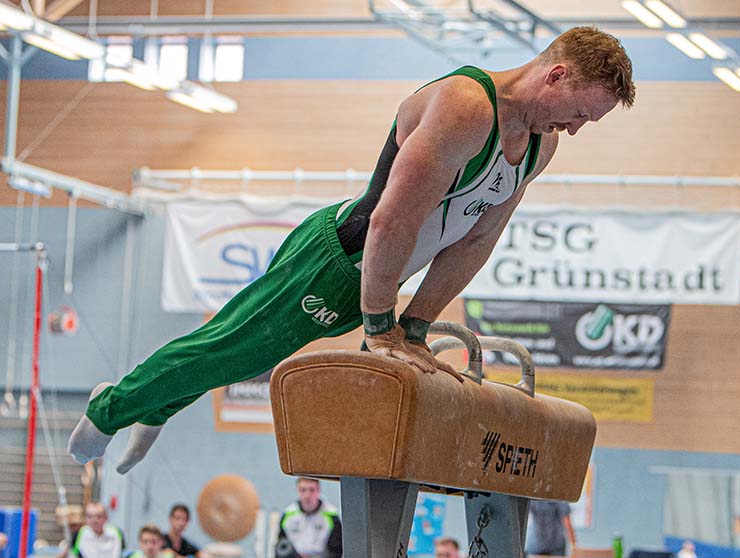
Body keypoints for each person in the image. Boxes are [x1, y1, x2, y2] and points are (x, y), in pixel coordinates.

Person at [68, 26, 635, 474]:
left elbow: (476, 241)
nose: (577, 129)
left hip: (373, 273)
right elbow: (392, 220)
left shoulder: (540, 145)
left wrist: (415, 327)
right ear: (556, 75)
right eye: (580, 112)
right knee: (231, 352)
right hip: (339, 257)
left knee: (239, 351)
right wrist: (382, 329)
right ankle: (112, 406)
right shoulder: (468, 105)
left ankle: (156, 402)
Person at [275, 477, 342, 558]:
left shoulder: (331, 515)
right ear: (298, 490)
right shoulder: (288, 515)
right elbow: (281, 547)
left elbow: (337, 551)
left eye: (311, 490)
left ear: (318, 490)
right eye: (303, 490)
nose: (307, 495)